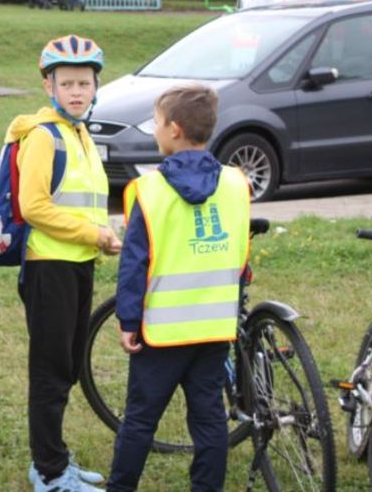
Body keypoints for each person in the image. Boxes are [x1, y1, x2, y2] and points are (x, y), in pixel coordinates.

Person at [106, 84, 250, 492]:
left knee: (140, 419)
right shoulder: (237, 184)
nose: (153, 129)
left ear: (173, 129)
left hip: (162, 332)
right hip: (214, 327)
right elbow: (240, 256)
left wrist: (128, 319)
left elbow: (135, 263)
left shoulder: (148, 191)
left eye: (155, 122)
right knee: (208, 421)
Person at [8, 34, 120, 492]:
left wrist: (104, 235)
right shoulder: (44, 136)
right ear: (48, 88)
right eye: (67, 83)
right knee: (51, 371)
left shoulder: (81, 134)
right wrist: (93, 234)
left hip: (79, 263)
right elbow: (34, 206)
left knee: (68, 365)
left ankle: (52, 457)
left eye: (85, 84)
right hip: (49, 266)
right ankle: (50, 472)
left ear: (96, 88)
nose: (77, 92)